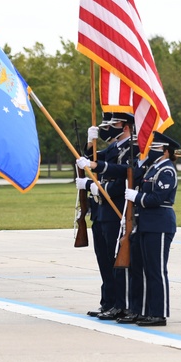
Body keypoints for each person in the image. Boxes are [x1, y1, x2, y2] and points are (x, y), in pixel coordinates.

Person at [75, 112, 133, 320]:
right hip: (101, 212)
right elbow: (96, 160)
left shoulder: (131, 149)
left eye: (113, 123)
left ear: (126, 126)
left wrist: (92, 185)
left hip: (115, 210)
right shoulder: (115, 147)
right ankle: (108, 301)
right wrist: (91, 146)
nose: (108, 128)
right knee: (104, 260)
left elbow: (121, 179)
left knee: (114, 259)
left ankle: (119, 304)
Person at [124, 132, 179, 326]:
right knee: (145, 269)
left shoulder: (167, 170)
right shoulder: (152, 169)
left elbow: (157, 198)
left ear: (165, 152)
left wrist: (136, 198)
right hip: (146, 222)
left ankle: (159, 313)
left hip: (160, 223)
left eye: (155, 149)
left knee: (157, 270)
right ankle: (146, 311)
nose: (150, 151)